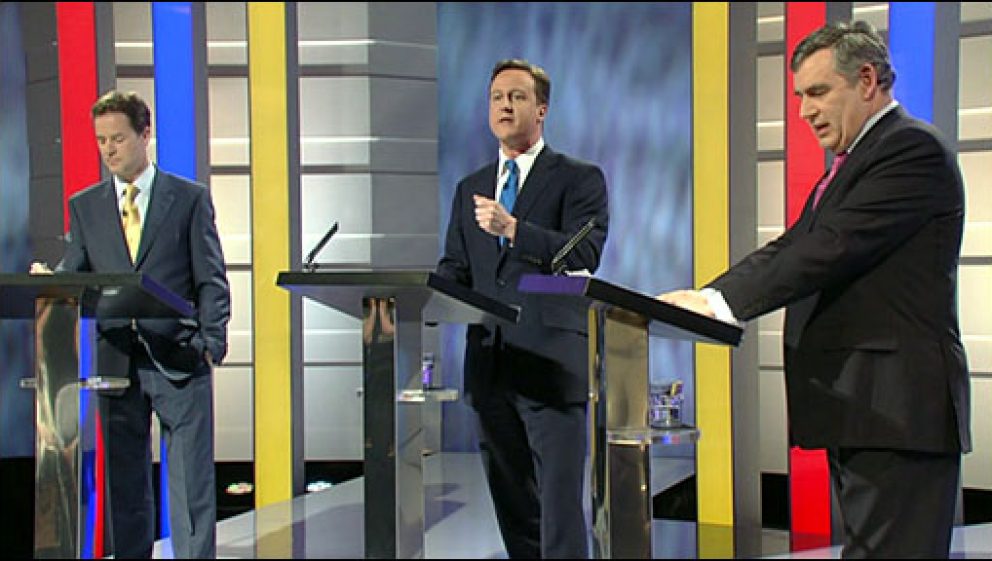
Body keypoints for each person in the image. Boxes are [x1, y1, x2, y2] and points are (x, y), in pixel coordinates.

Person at [660, 21, 968, 559]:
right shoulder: (854, 162)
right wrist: (707, 296)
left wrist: (720, 303)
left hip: (896, 411)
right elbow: (793, 245)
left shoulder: (910, 149)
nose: (805, 111)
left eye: (819, 92)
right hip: (866, 410)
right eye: (801, 95)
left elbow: (829, 247)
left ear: (867, 80)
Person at [33, 90, 230, 558]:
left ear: (145, 135)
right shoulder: (86, 206)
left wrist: (211, 341)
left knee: (191, 489)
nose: (109, 150)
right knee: (124, 487)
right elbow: (76, 272)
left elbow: (211, 278)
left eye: (118, 139)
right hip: (116, 361)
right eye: (101, 141)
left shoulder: (188, 199)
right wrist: (49, 281)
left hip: (180, 356)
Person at [437, 58, 609, 558]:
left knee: (559, 508)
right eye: (496, 98)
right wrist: (421, 295)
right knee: (513, 504)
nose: (505, 106)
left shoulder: (578, 178)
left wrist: (514, 229)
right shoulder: (470, 187)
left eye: (516, 96)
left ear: (541, 109)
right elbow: (456, 266)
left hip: (550, 364)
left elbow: (583, 251)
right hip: (490, 365)